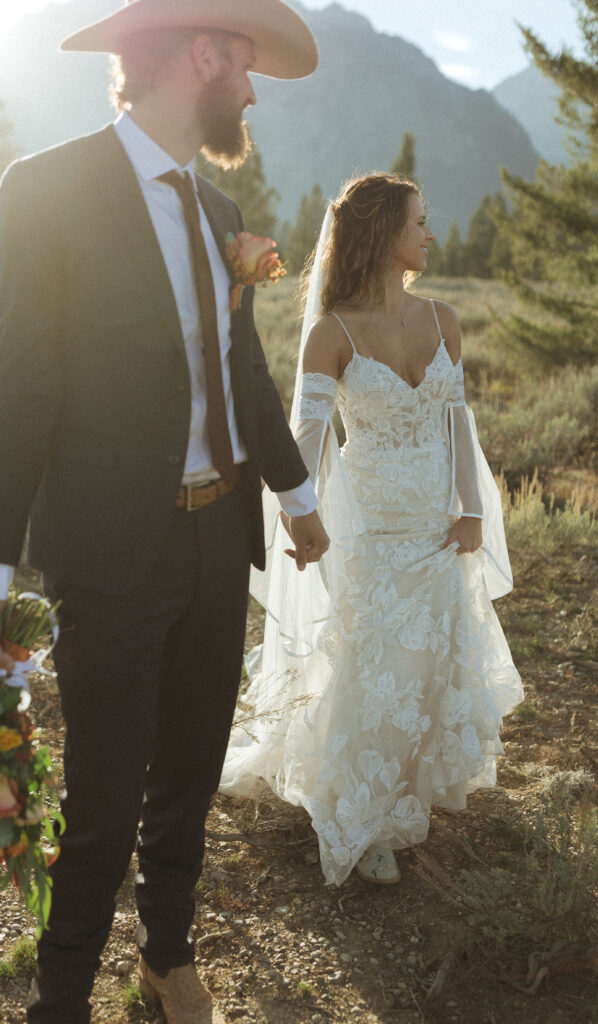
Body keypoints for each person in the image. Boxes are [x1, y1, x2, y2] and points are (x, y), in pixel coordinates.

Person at [0, 1, 329, 1021]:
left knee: (189, 769)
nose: (250, 87)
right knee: (102, 800)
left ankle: (166, 955)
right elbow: (21, 388)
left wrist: (296, 489)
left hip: (216, 535)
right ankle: (60, 997)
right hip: (111, 552)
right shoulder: (44, 193)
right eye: (242, 64)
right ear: (200, 55)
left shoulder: (222, 218)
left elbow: (244, 373)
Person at [220, 173, 523, 886]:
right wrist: (303, 516)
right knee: (371, 667)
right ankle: (367, 813)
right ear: (385, 233)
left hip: (436, 525)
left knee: (427, 661)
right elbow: (306, 432)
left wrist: (471, 507)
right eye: (419, 222)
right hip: (369, 527)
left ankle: (412, 785)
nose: (429, 233)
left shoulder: (443, 318)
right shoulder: (333, 332)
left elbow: (456, 419)